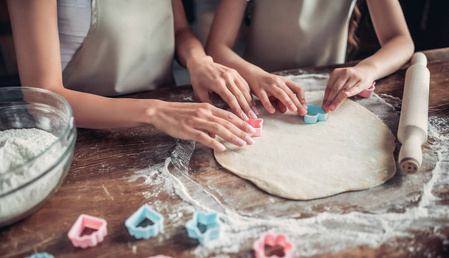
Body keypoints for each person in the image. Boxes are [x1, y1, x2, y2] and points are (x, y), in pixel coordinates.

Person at [7, 0, 257, 152]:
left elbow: (179, 29)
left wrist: (199, 60)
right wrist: (155, 112)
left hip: (166, 127)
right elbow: (41, 97)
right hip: (85, 136)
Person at [206, 0, 415, 114]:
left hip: (328, 91)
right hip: (258, 90)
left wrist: (369, 69)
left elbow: (401, 40)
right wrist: (255, 75)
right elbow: (216, 47)